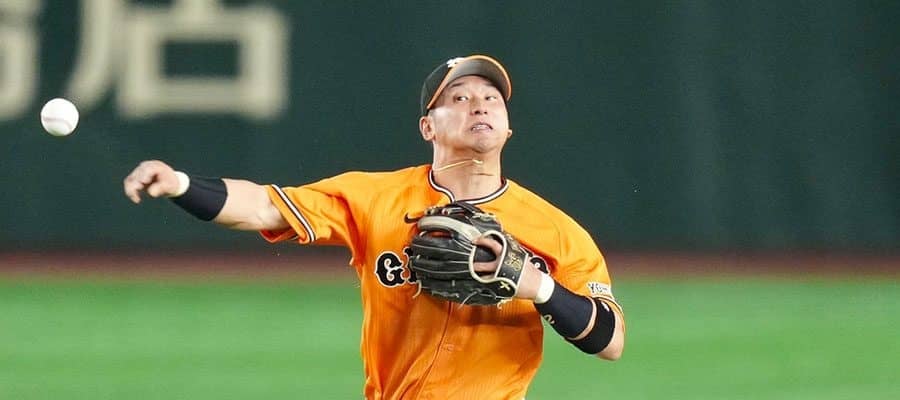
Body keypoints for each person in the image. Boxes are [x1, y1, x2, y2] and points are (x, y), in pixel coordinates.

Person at [123, 54, 625, 399]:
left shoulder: (555, 230)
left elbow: (610, 341)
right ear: (428, 127)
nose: (479, 104)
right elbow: (263, 208)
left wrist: (538, 287)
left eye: (492, 97)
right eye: (458, 98)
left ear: (509, 127)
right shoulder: (375, 197)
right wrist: (181, 184)